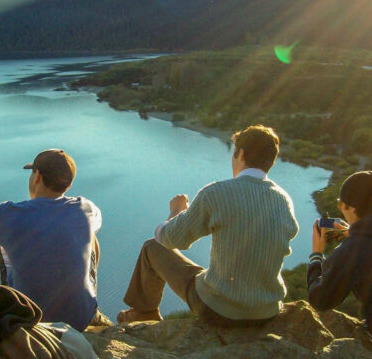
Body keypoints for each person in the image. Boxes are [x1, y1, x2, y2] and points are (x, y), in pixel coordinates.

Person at [117, 124, 299, 326]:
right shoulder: (284, 201)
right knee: (213, 273)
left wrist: (176, 211)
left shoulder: (216, 193)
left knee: (152, 247)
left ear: (240, 154)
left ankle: (144, 314)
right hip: (267, 312)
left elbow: (170, 238)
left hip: (219, 310)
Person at [0, 149, 110, 331]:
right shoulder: (86, 208)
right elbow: (91, 223)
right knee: (91, 236)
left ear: (37, 177)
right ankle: (86, 300)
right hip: (81, 317)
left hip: (28, 319)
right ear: (68, 184)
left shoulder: (9, 214)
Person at [307, 171, 372, 333]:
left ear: (351, 208)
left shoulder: (353, 250)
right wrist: (355, 232)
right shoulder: (359, 243)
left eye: (339, 203)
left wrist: (316, 255)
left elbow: (321, 299)